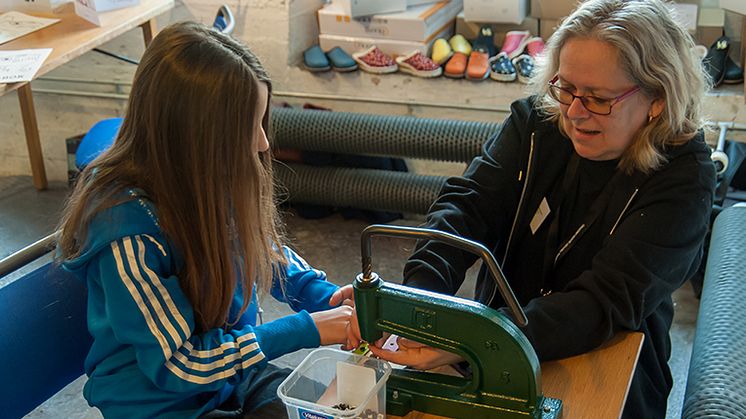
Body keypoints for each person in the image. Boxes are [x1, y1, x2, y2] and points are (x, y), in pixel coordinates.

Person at [335, 0, 716, 417]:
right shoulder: (536, 123)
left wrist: (470, 339)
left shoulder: (684, 176)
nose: (574, 112)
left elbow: (606, 300)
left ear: (657, 99)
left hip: (609, 358)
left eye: (598, 99)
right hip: (492, 337)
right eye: (566, 87)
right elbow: (467, 208)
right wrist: (417, 301)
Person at [57, 21, 355, 419]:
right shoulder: (124, 233)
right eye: (249, 129)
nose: (263, 144)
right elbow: (178, 366)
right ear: (197, 138)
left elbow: (261, 249)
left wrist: (325, 297)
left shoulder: (203, 178)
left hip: (229, 374)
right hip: (163, 402)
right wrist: (308, 328)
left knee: (330, 408)